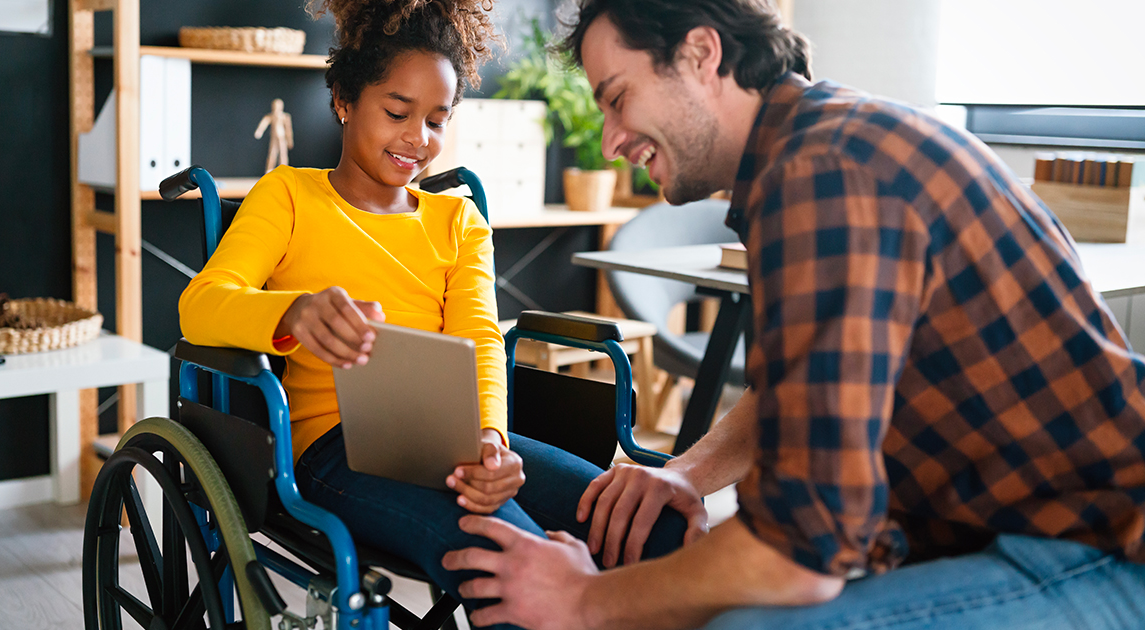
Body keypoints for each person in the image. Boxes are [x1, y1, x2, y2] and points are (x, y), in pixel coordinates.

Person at [442, 1, 1145, 628]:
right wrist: (686, 472)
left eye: (618, 98)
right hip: (1019, 522)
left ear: (701, 54)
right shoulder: (821, 144)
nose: (610, 139)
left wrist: (583, 601)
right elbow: (807, 389)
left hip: (1099, 544)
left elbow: (799, 558)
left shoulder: (820, 178)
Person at [178, 0, 683, 625]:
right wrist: (294, 313)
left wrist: (491, 442)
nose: (419, 138)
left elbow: (479, 338)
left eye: (438, 120)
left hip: (455, 442)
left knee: (652, 524)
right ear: (343, 99)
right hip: (334, 452)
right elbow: (200, 305)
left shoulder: (459, 220)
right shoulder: (286, 195)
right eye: (397, 112)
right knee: (513, 555)